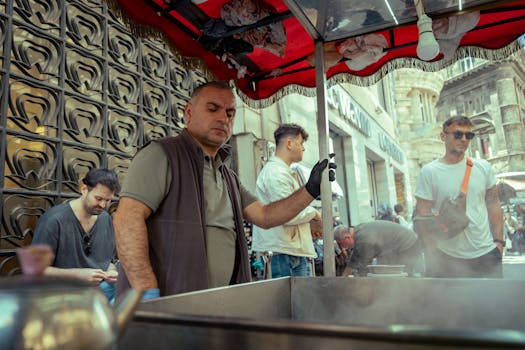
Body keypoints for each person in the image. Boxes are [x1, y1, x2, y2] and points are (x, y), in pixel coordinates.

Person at [113, 81, 335, 299]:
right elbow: (127, 219)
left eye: (230, 113)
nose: (223, 118)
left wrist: (310, 190)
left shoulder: (227, 176)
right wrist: (146, 290)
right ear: (188, 112)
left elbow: (265, 216)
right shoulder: (162, 154)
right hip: (168, 304)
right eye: (212, 109)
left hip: (215, 304)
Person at [413, 116, 504, 278]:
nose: (464, 139)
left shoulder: (483, 167)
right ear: (443, 136)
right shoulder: (429, 172)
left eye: (468, 135)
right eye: (457, 134)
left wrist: (499, 242)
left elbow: (493, 203)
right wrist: (431, 251)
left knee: (493, 302)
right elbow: (422, 216)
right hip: (446, 255)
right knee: (451, 304)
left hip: (485, 253)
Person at [31, 168, 121, 302]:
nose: (103, 205)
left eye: (108, 200)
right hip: (61, 297)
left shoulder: (105, 218)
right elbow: (34, 270)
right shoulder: (53, 220)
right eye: (98, 198)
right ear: (84, 189)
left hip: (98, 295)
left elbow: (108, 262)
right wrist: (77, 275)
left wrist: (112, 272)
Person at [251, 124, 322, 278]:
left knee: (300, 300)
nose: (303, 148)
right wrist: (315, 214)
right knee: (287, 301)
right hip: (281, 253)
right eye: (301, 143)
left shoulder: (285, 172)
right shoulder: (275, 173)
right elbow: (287, 214)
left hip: (290, 251)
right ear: (289, 143)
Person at [334, 221, 420, 277]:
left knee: (400, 275)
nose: (343, 247)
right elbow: (354, 259)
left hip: (408, 245)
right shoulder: (358, 232)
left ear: (347, 237)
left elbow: (365, 265)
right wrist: (344, 277)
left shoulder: (363, 238)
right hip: (401, 245)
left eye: (342, 243)